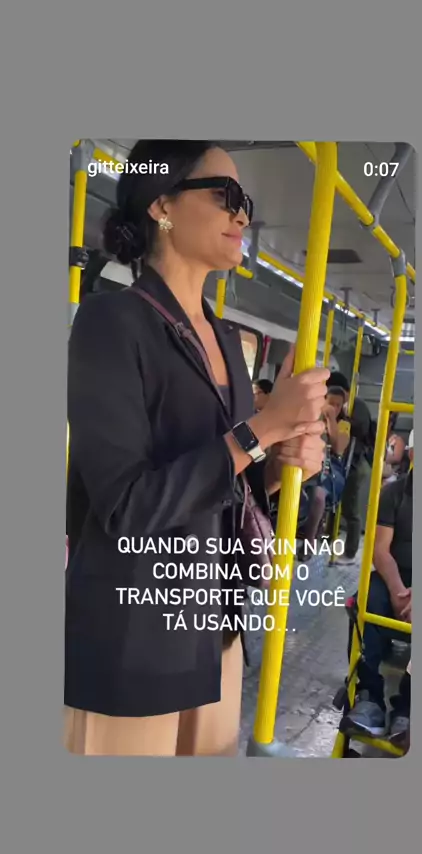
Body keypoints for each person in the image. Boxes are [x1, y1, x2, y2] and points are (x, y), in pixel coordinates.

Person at [64, 139, 330, 757]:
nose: (242, 215)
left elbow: (223, 484)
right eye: (225, 195)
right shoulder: (109, 324)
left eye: (246, 202)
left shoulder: (228, 341)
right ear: (162, 205)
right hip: (133, 642)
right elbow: (127, 505)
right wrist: (260, 431)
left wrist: (277, 464)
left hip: (214, 636)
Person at [340, 429, 413, 743]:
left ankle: (409, 706)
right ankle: (369, 696)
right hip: (397, 578)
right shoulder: (395, 492)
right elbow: (380, 550)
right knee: (366, 598)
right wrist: (399, 592)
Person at [326, 371, 373, 564]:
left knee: (350, 508)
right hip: (342, 462)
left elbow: (361, 428)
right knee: (333, 502)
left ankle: (350, 552)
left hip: (356, 463)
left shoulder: (356, 406)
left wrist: (344, 418)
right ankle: (327, 539)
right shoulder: (338, 406)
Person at [302, 386, 351, 549]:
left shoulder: (343, 425)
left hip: (331, 470)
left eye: (338, 405)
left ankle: (309, 541)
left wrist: (330, 420)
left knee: (318, 495)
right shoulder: (312, 419)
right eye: (331, 404)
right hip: (309, 463)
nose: (334, 408)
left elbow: (338, 448)